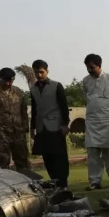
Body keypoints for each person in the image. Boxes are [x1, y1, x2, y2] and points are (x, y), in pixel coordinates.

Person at [82, 53, 109, 190]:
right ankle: (95, 182)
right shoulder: (85, 81)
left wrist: (107, 110)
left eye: (92, 67)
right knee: (92, 152)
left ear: (99, 65)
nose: (89, 70)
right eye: (87, 67)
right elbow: (87, 99)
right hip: (92, 121)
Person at [30, 59, 70, 189]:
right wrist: (32, 128)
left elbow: (64, 106)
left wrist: (65, 124)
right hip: (41, 128)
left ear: (47, 71)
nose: (39, 75)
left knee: (60, 156)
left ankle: (63, 184)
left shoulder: (56, 85)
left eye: (41, 72)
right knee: (47, 157)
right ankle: (55, 183)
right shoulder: (33, 89)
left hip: (56, 126)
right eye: (36, 72)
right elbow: (34, 110)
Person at [0, 68, 30, 170]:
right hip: (1, 134)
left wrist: (25, 126)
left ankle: (25, 178)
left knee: (23, 161)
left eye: (11, 81)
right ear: (0, 78)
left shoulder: (18, 91)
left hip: (18, 132)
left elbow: (23, 110)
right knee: (2, 162)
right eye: (6, 80)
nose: (8, 83)